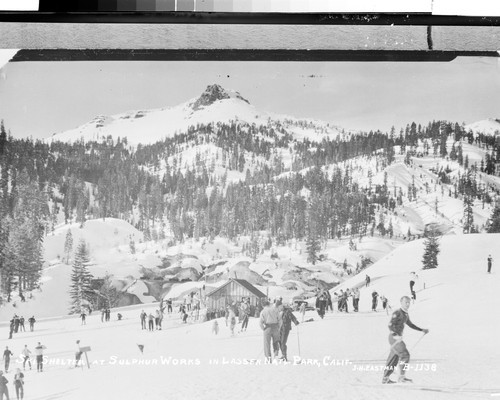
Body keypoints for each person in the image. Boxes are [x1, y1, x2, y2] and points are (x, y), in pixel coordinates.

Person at [382, 296, 429, 384]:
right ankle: (401, 377)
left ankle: (385, 378)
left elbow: (410, 324)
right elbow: (390, 325)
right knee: (405, 355)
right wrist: (395, 335)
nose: (407, 304)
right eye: (405, 302)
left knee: (393, 358)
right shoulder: (398, 312)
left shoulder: (405, 314)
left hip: (396, 337)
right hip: (394, 338)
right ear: (401, 302)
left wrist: (422, 330)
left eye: (408, 302)